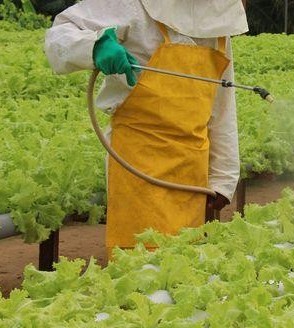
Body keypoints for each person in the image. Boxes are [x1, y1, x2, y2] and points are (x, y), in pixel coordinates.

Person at [44, 0, 248, 258]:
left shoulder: (218, 18)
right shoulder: (132, 4)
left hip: (191, 167)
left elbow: (222, 107)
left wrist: (222, 179)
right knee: (139, 266)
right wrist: (95, 46)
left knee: (184, 267)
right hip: (139, 162)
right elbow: (59, 35)